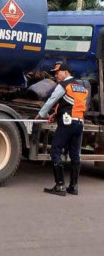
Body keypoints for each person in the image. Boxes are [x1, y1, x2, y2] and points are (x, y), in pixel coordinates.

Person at [36, 61, 89, 196]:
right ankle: (74, 186)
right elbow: (74, 105)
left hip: (67, 124)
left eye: (58, 73)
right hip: (79, 123)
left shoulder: (64, 85)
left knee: (55, 151)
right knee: (75, 154)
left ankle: (60, 186)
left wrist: (41, 114)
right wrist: (56, 113)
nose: (56, 75)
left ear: (66, 72)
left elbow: (52, 100)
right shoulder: (82, 87)